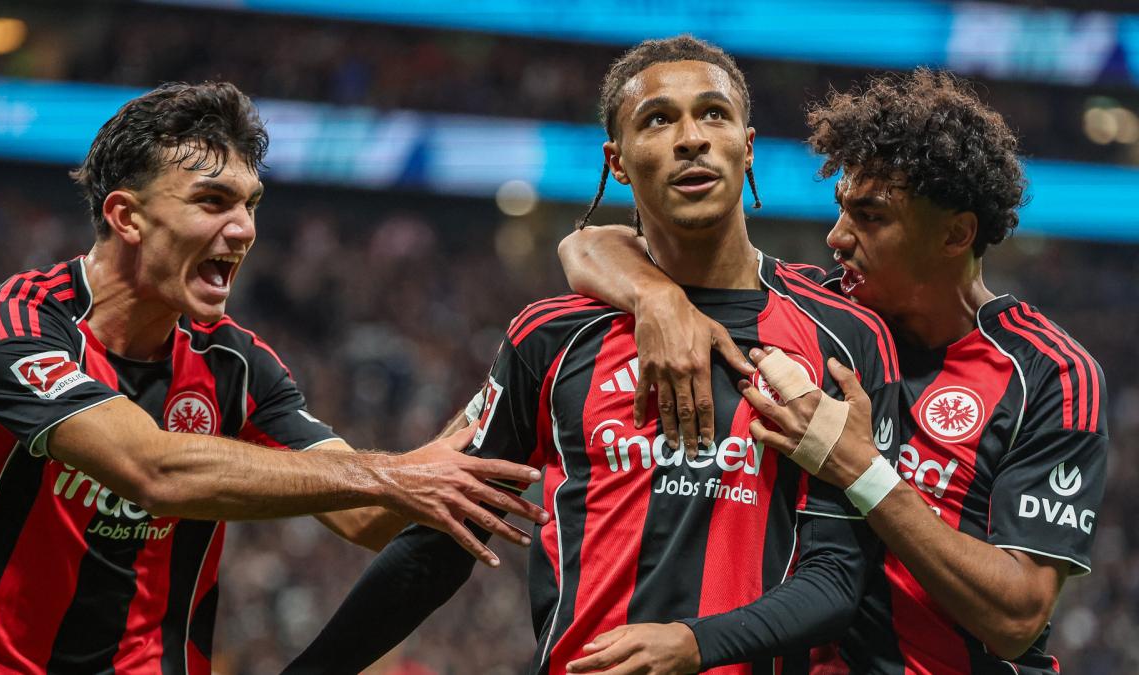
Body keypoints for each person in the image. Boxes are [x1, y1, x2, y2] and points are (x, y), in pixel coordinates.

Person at [288, 36, 901, 675]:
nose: (691, 138)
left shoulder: (844, 336)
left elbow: (840, 575)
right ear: (617, 162)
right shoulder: (549, 337)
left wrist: (694, 644)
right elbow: (440, 544)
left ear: (747, 147)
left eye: (713, 114)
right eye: (657, 120)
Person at [0, 81, 547, 674]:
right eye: (212, 201)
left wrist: (512, 377)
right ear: (126, 216)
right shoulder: (14, 326)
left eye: (250, 204)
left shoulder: (236, 364)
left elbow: (371, 518)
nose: (244, 229)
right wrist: (390, 474)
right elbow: (151, 470)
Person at [558, 69, 1107, 673]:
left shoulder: (1049, 373)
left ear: (955, 234)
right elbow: (587, 245)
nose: (836, 237)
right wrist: (655, 298)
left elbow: (1017, 620)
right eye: (842, 208)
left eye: (870, 217)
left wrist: (862, 471)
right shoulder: (821, 317)